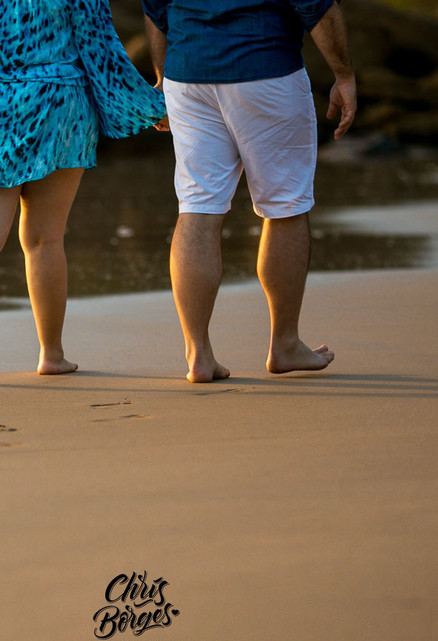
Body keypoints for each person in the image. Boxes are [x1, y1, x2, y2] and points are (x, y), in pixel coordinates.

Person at [0, 0, 166, 384]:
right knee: (44, 239)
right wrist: (152, 106)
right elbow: (101, 50)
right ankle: (52, 355)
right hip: (57, 106)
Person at [141, 0, 357, 383]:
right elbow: (318, 5)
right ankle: (285, 344)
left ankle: (199, 356)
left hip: (187, 74)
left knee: (197, 206)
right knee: (285, 206)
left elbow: (154, 8)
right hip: (265, 70)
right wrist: (343, 75)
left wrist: (162, 78)